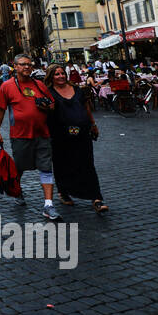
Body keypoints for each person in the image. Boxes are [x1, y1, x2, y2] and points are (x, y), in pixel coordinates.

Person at [0, 54, 61, 221]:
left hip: (42, 133)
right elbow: (0, 110)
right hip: (20, 135)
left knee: (46, 167)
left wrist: (47, 106)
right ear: (15, 67)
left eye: (29, 65)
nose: (26, 67)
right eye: (23, 64)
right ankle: (17, 191)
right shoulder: (7, 87)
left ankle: (48, 205)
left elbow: (52, 105)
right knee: (20, 167)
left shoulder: (39, 85)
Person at [48, 65, 107, 212]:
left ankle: (96, 197)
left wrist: (93, 124)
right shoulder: (48, 92)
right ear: (51, 77)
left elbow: (86, 107)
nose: (61, 76)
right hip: (60, 135)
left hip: (82, 132)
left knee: (87, 163)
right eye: (56, 74)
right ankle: (64, 192)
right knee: (63, 164)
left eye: (62, 73)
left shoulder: (76, 89)